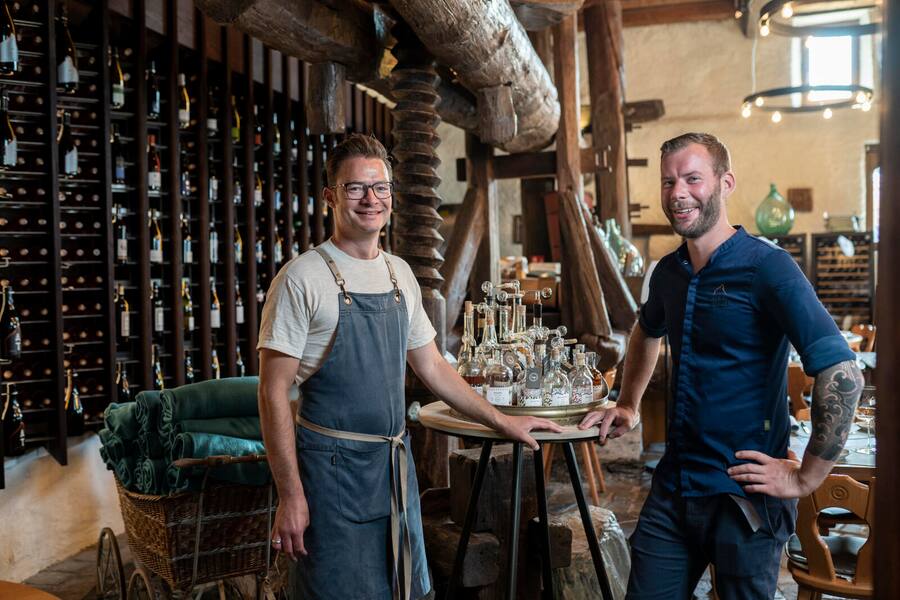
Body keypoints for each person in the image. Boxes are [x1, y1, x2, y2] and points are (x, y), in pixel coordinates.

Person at [257, 133, 561, 600]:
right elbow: (273, 393)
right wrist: (291, 495)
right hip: (331, 477)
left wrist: (503, 420)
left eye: (380, 188)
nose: (370, 199)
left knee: (403, 587)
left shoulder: (400, 275)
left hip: (393, 469)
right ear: (330, 196)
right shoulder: (303, 278)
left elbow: (434, 368)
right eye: (356, 187)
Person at [579, 132, 863, 599]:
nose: (678, 193)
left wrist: (807, 476)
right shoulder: (667, 272)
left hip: (745, 498)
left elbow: (844, 374)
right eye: (669, 182)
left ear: (725, 183)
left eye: (693, 179)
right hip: (674, 489)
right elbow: (646, 329)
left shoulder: (769, 267)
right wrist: (627, 404)